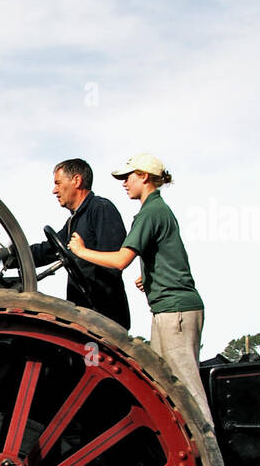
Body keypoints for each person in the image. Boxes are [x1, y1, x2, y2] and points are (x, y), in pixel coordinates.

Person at [68, 152, 211, 424]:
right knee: (164, 384)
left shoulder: (151, 212)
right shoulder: (155, 211)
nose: (124, 183)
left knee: (187, 391)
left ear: (144, 177)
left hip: (175, 310)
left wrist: (81, 250)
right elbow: (169, 253)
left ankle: (209, 453)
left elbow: (120, 260)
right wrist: (150, 275)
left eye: (128, 177)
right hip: (166, 308)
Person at [28, 159, 131, 329]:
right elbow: (47, 250)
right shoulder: (73, 222)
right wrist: (10, 254)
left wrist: (82, 252)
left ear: (76, 180)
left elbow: (114, 263)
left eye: (58, 183)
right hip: (84, 317)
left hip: (103, 319)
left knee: (92, 357)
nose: (54, 190)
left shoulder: (101, 208)